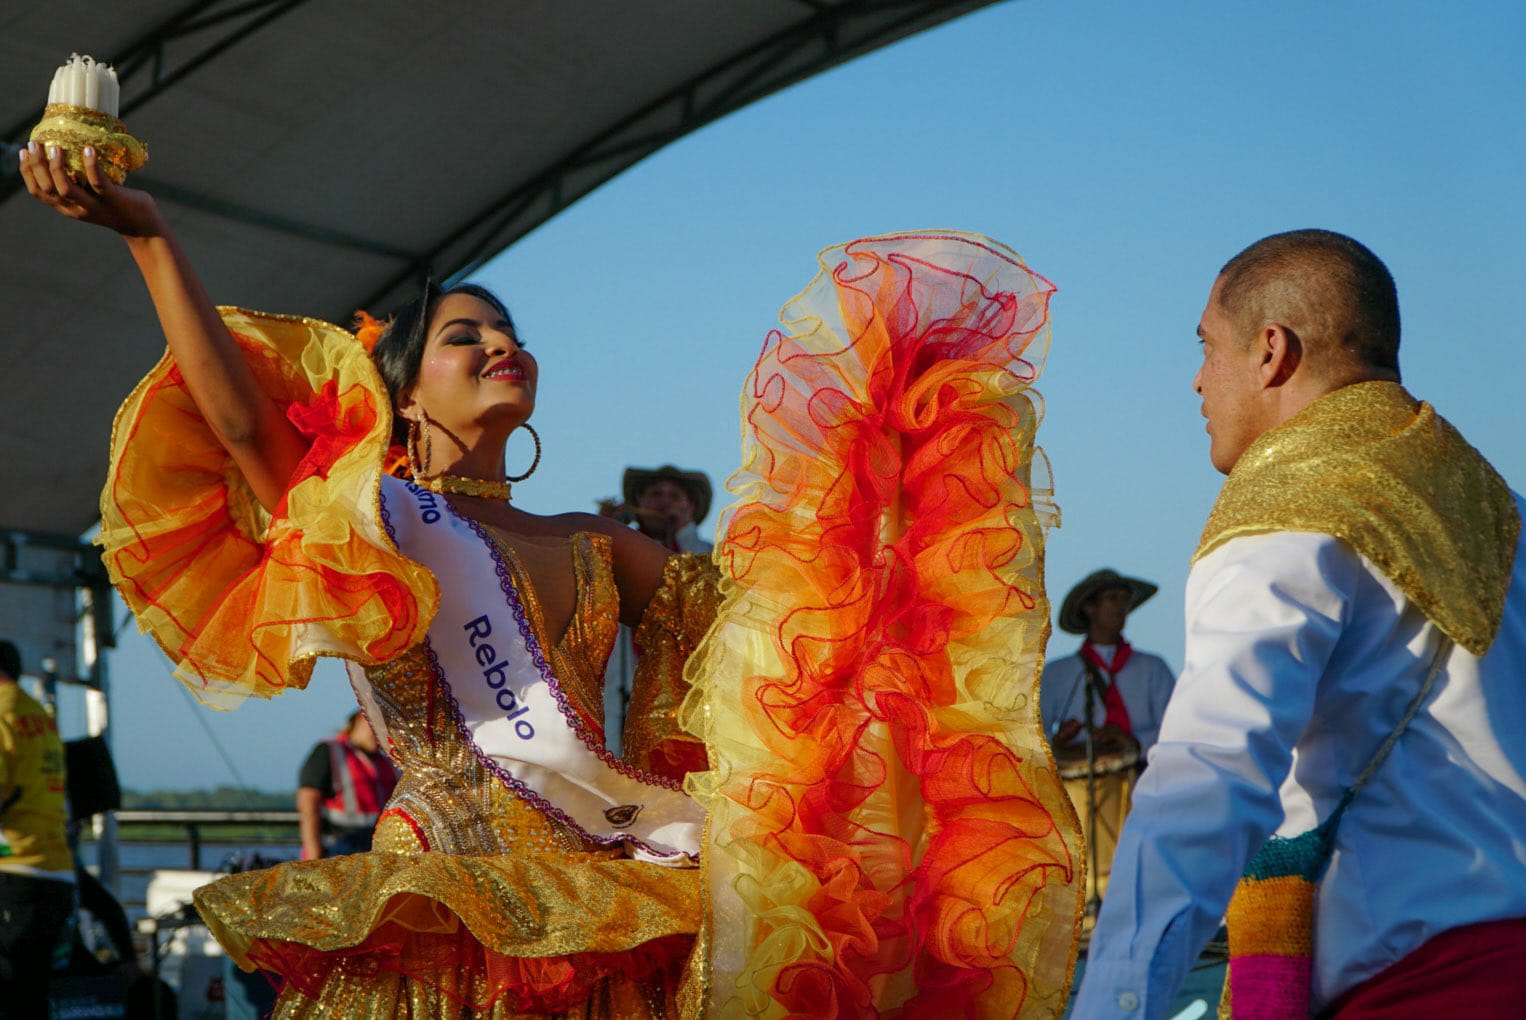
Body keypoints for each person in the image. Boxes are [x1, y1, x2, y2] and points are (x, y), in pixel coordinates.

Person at [21, 141, 1083, 1016]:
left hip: (604, 907)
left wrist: (882, 467)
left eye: (509, 333)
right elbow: (243, 421)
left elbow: (781, 626)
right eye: (462, 335)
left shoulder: (596, 539)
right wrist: (151, 237)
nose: (499, 345)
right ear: (399, 400)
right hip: (440, 912)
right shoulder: (375, 523)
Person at [1073, 229, 1526, 1018]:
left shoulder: (1285, 504)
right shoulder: (1506, 510)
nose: (1195, 381)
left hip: (1412, 988)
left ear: (1271, 351)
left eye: (1207, 346)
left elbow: (1208, 777)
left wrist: (1111, 1004)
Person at [1040, 569, 1175, 909]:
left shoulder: (1152, 669)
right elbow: (1035, 731)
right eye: (1113, 599)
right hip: (1077, 790)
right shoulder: (1060, 674)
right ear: (1090, 608)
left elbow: (1177, 731)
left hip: (1146, 784)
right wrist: (1060, 740)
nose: (1121, 608)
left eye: (1125, 600)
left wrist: (1131, 741)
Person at [599, 467, 714, 753]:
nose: (665, 501)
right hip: (625, 681)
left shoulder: (709, 554)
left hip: (688, 682)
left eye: (675, 496)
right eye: (655, 495)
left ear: (691, 507)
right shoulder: (622, 549)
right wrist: (601, 533)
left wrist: (682, 533)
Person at [0, 639, 75, 1019]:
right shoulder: (38, 716)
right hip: (55, 870)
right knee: (32, 996)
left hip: (16, 868)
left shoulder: (1, 714)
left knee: (11, 994)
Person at [296, 712, 399, 859]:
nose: (380, 733)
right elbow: (308, 805)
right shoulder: (329, 751)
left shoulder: (388, 762)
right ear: (359, 719)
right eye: (375, 726)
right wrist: (313, 855)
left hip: (376, 849)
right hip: (338, 847)